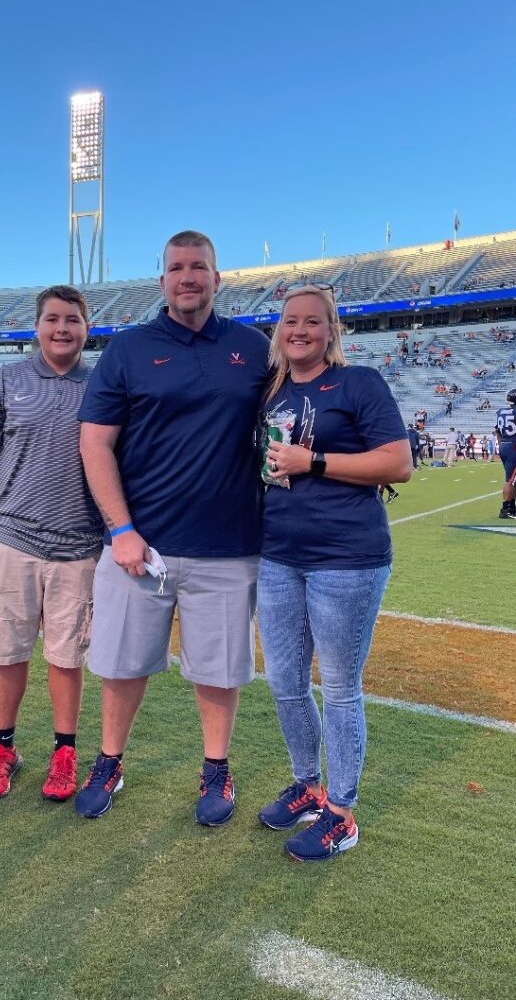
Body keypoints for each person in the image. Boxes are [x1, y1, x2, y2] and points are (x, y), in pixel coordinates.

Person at [75, 230, 270, 825]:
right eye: (177, 267)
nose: (188, 276)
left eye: (199, 267)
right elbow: (95, 443)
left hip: (228, 545)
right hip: (142, 545)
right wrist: (120, 529)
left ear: (217, 277)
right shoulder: (128, 349)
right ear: (162, 280)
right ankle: (110, 761)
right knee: (121, 664)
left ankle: (216, 769)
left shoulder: (256, 347)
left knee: (219, 669)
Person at [256, 284, 411, 861]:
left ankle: (341, 812)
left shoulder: (359, 383)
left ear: (331, 332)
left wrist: (313, 461)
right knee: (284, 683)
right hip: (277, 556)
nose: (300, 330)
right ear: (279, 330)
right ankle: (309, 784)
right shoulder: (268, 392)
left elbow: (398, 463)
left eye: (312, 322)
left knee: (340, 687)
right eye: (290, 321)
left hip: (347, 559)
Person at [0, 286, 103, 804]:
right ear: (37, 325)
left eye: (72, 319)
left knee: (67, 656)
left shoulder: (103, 382)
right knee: (7, 651)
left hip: (79, 542)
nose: (62, 328)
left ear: (87, 327)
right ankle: (2, 748)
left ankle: (64, 751)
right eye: (52, 319)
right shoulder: (6, 379)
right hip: (12, 537)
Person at [495, 388, 516, 519]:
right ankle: (506, 509)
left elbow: (498, 431)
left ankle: (512, 507)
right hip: (513, 446)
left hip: (505, 445)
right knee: (509, 479)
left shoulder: (500, 412)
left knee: (513, 479)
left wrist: (501, 445)